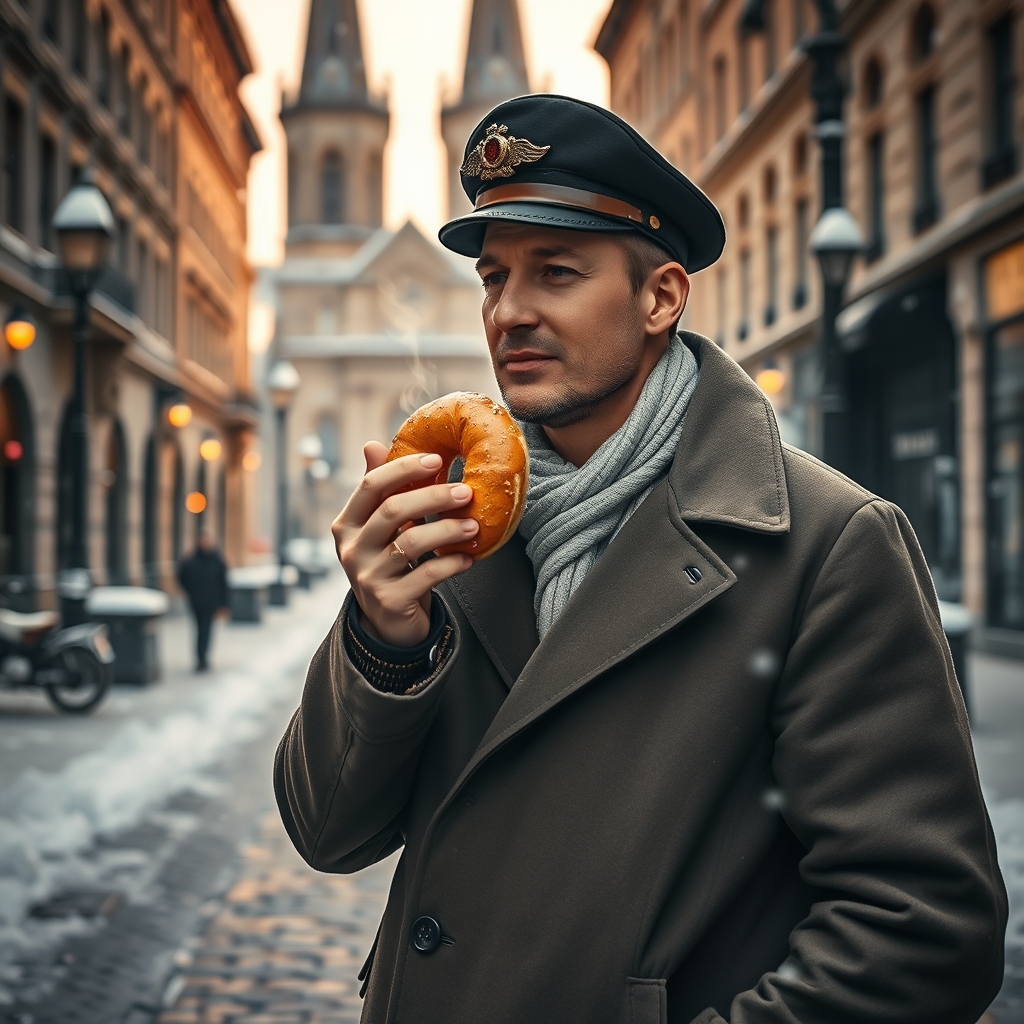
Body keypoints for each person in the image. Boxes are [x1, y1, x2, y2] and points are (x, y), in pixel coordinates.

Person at [275, 95, 1006, 1024]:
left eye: (558, 272)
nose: (510, 311)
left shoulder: (827, 544)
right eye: (494, 279)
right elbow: (327, 831)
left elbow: (923, 926)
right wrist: (383, 639)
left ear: (661, 296)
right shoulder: (456, 529)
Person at [177, 531, 229, 672]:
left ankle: (203, 658)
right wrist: (190, 592)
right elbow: (181, 576)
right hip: (196, 602)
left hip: (211, 603)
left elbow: (224, 583)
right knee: (199, 629)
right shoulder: (191, 559)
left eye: (207, 540)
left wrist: (224, 604)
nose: (205, 543)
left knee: (206, 630)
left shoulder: (217, 560)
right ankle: (199, 658)